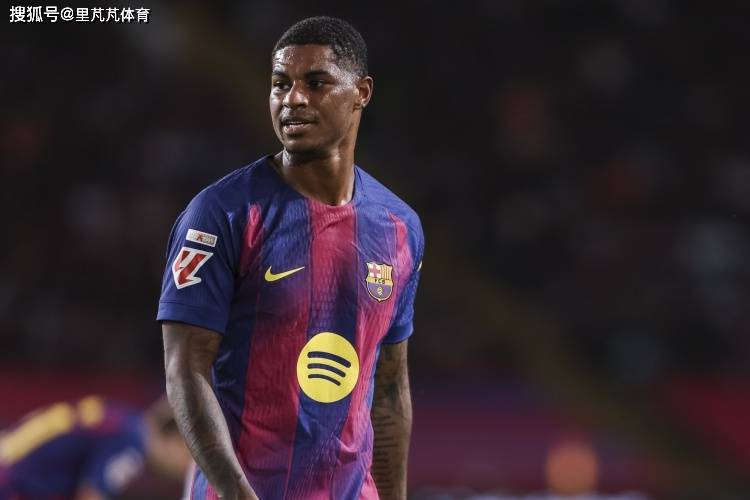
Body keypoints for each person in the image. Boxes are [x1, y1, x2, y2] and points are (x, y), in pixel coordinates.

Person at [159, 15, 424, 500]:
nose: (293, 99)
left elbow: (389, 389)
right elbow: (186, 370)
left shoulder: (400, 228)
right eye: (281, 83)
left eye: (316, 83)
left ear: (361, 92)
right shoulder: (220, 214)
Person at [0, 394, 191, 499]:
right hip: (11, 487)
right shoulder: (133, 441)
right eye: (188, 456)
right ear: (176, 438)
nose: (185, 469)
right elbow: (91, 495)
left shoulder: (119, 418)